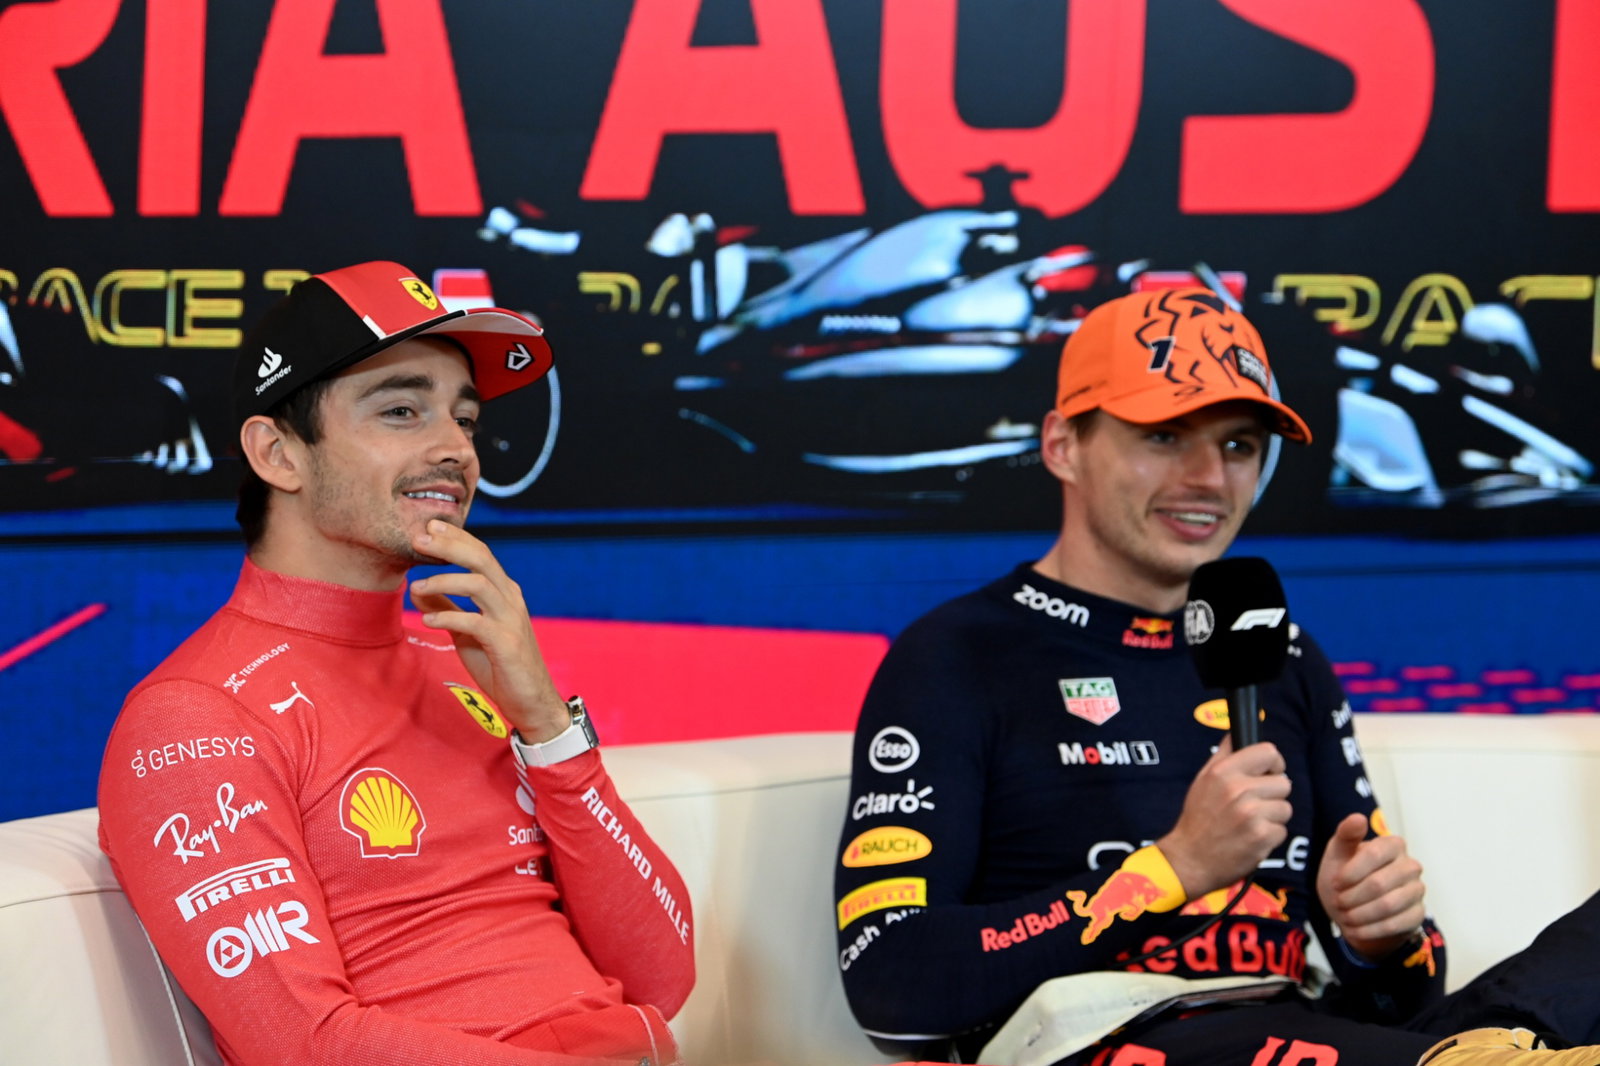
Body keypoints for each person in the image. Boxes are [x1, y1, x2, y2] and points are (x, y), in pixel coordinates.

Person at [833, 287, 1600, 1066]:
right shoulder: (956, 655)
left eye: (1238, 445)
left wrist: (1376, 941)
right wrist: (1175, 867)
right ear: (1063, 446)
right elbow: (892, 989)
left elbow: (1402, 1003)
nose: (1209, 477)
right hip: (1104, 1042)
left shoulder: (1285, 655)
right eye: (1165, 436)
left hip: (1311, 1038)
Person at [98, 261, 694, 1066]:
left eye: (465, 419)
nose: (457, 450)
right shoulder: (194, 715)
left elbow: (663, 975)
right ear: (278, 454)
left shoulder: (469, 665)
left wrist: (549, 727)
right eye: (402, 411)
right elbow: (307, 1047)